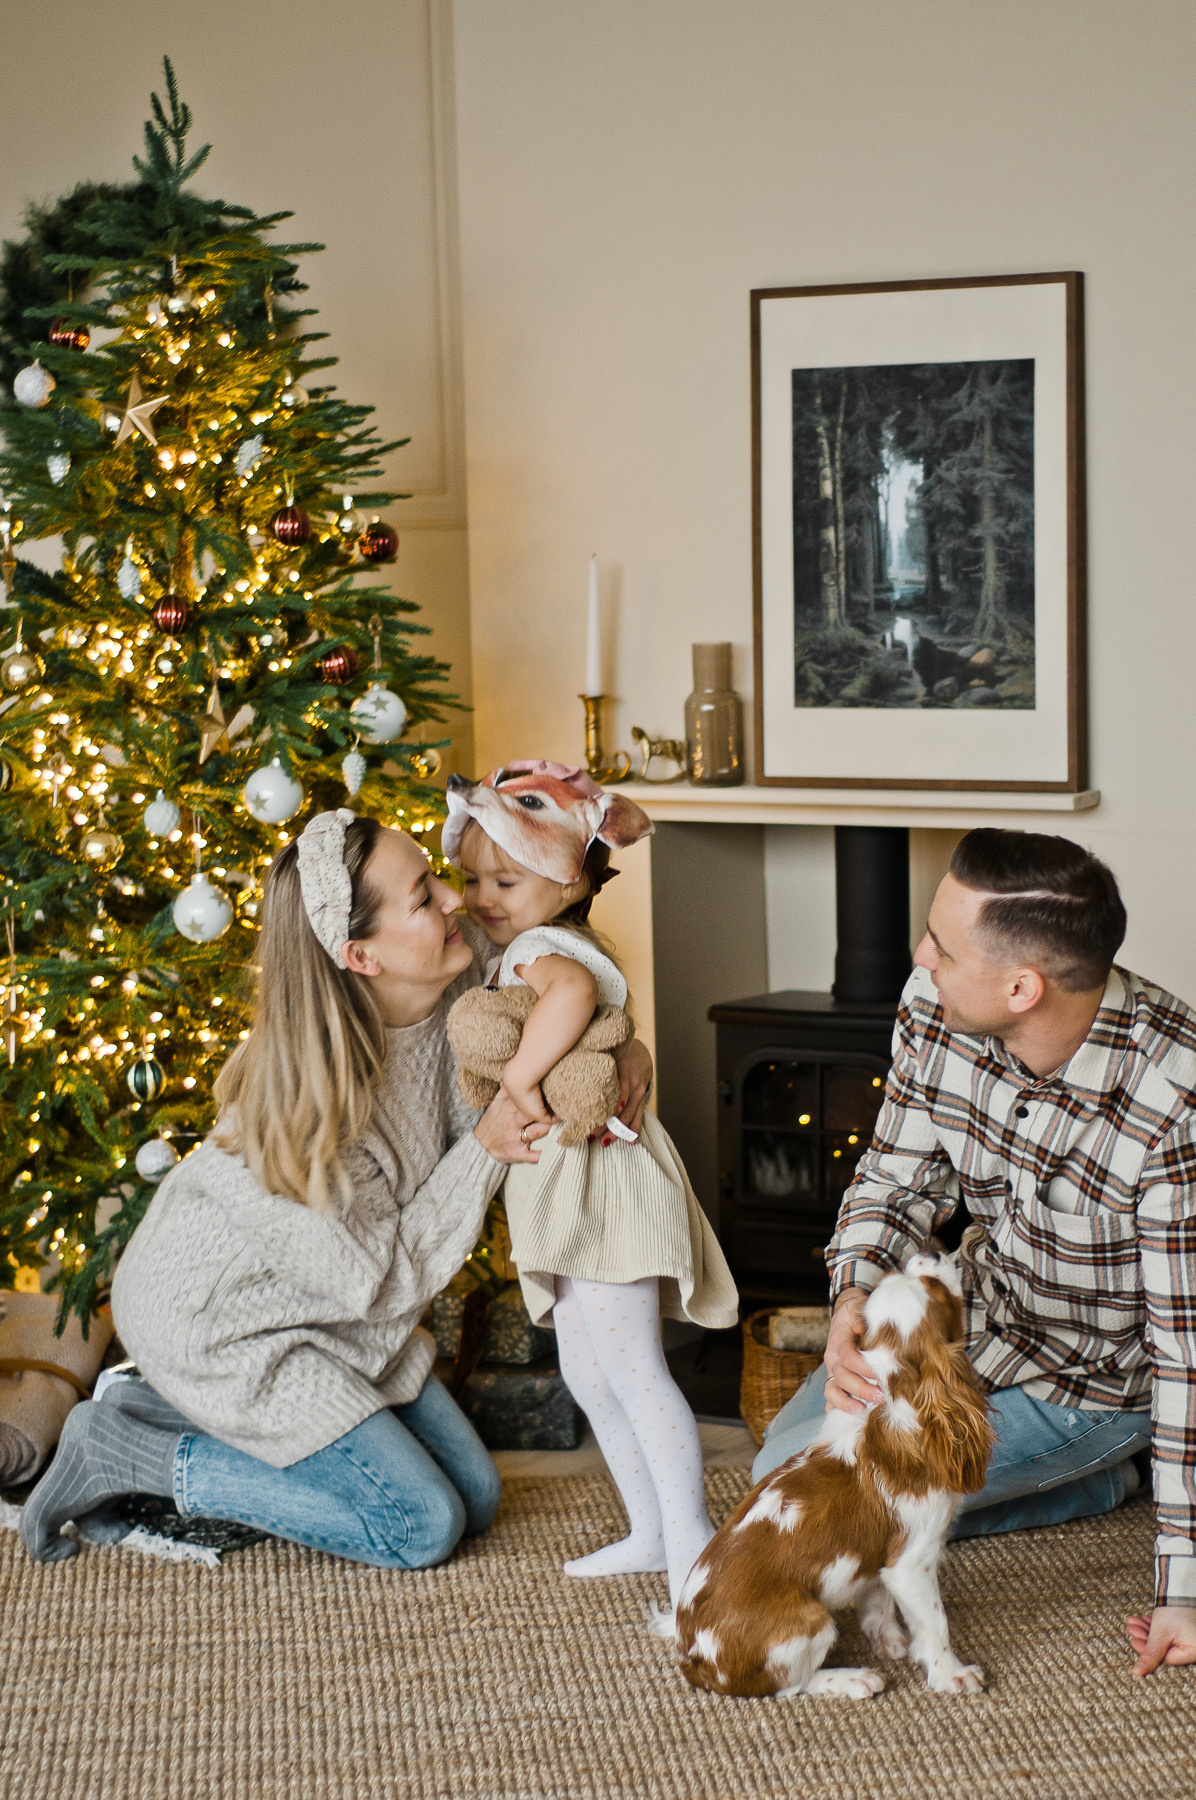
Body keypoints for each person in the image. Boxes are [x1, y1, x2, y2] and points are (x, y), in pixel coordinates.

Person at [20, 809, 652, 1568]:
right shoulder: (301, 1107)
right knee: (418, 1527)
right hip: (224, 1327)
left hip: (337, 1313)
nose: (456, 900)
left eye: (434, 878)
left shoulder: (462, 968)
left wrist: (630, 1048)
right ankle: (126, 1451)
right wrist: (485, 1149)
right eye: (422, 897)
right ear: (361, 954)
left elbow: (568, 987)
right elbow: (378, 1285)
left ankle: (149, 1407)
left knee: (477, 1498)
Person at [754, 828, 1196, 1678]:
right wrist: (850, 1302)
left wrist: (1185, 1585)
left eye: (943, 945)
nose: (921, 957)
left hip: (1093, 1385)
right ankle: (1080, 1485)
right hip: (973, 1326)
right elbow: (893, 1180)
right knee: (785, 1471)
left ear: (1021, 987)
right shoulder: (936, 1006)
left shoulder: (1175, 1106)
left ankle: (1103, 1469)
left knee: (834, 1512)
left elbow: (1188, 1355)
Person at [444, 761, 739, 1606]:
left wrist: (520, 1084)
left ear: (566, 876)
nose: (481, 896)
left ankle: (693, 1543)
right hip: (574, 1191)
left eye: (505, 877)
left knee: (634, 1369)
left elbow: (571, 996)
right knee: (588, 1371)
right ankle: (651, 1529)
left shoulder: (544, 952)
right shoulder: (532, 948)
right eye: (473, 879)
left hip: (602, 1188)